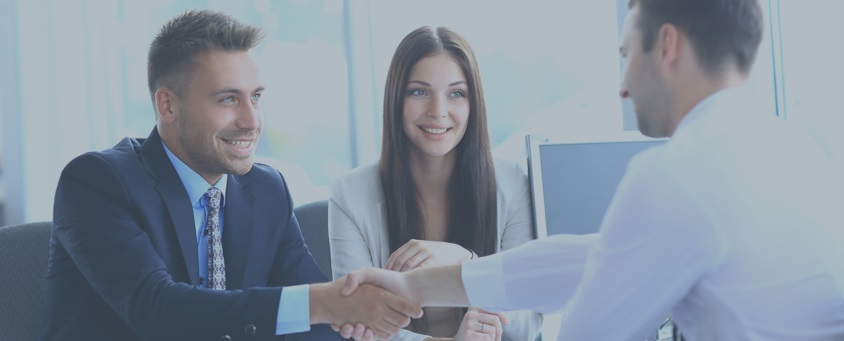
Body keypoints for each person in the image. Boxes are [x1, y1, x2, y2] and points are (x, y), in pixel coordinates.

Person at [338, 0, 844, 340]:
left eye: (626, 54)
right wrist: (421, 287)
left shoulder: (675, 175)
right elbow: (591, 259)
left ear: (667, 46)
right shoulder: (796, 151)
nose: (622, 86)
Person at [39, 10, 421, 341]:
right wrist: (323, 304)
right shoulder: (97, 182)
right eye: (228, 99)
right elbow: (156, 310)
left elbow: (320, 315)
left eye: (256, 97)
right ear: (168, 105)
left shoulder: (267, 189)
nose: (251, 120)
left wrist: (351, 315)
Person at [328, 26, 541, 341]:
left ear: (473, 103)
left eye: (456, 93)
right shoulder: (350, 193)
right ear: (396, 99)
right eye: (419, 92)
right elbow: (358, 324)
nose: (438, 111)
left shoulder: (514, 183)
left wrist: (465, 262)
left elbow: (527, 323)